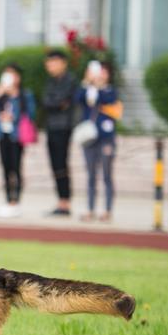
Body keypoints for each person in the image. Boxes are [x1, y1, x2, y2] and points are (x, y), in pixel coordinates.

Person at [0, 63, 36, 218]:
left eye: (12, 74)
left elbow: (31, 113)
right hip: (2, 134)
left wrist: (13, 113)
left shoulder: (24, 94)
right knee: (6, 168)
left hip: (16, 135)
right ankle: (8, 201)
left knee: (16, 168)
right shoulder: (0, 93)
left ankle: (16, 202)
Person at [75, 61, 121, 222]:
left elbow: (108, 100)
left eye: (102, 72)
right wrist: (88, 83)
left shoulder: (110, 91)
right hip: (89, 139)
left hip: (106, 139)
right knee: (90, 176)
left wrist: (99, 86)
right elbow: (78, 98)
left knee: (107, 175)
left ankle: (108, 210)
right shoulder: (86, 89)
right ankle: (90, 209)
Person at [42, 49, 77, 216]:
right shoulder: (51, 81)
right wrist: (56, 103)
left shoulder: (70, 80)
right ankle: (60, 200)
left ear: (63, 63)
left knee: (62, 164)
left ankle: (65, 201)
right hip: (52, 126)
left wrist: (56, 102)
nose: (50, 66)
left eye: (53, 62)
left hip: (64, 127)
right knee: (55, 164)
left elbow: (63, 101)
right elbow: (47, 102)